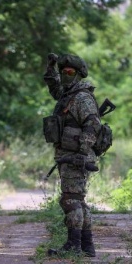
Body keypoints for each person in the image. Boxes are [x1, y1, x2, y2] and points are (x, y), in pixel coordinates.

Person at [42, 53, 101, 257]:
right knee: (77, 199)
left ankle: (74, 246)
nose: (65, 75)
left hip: (77, 156)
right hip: (68, 155)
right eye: (63, 72)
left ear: (78, 75)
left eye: (69, 72)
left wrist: (82, 152)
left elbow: (93, 124)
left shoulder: (82, 97)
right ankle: (87, 246)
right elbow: (53, 86)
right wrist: (51, 67)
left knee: (70, 200)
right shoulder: (68, 94)